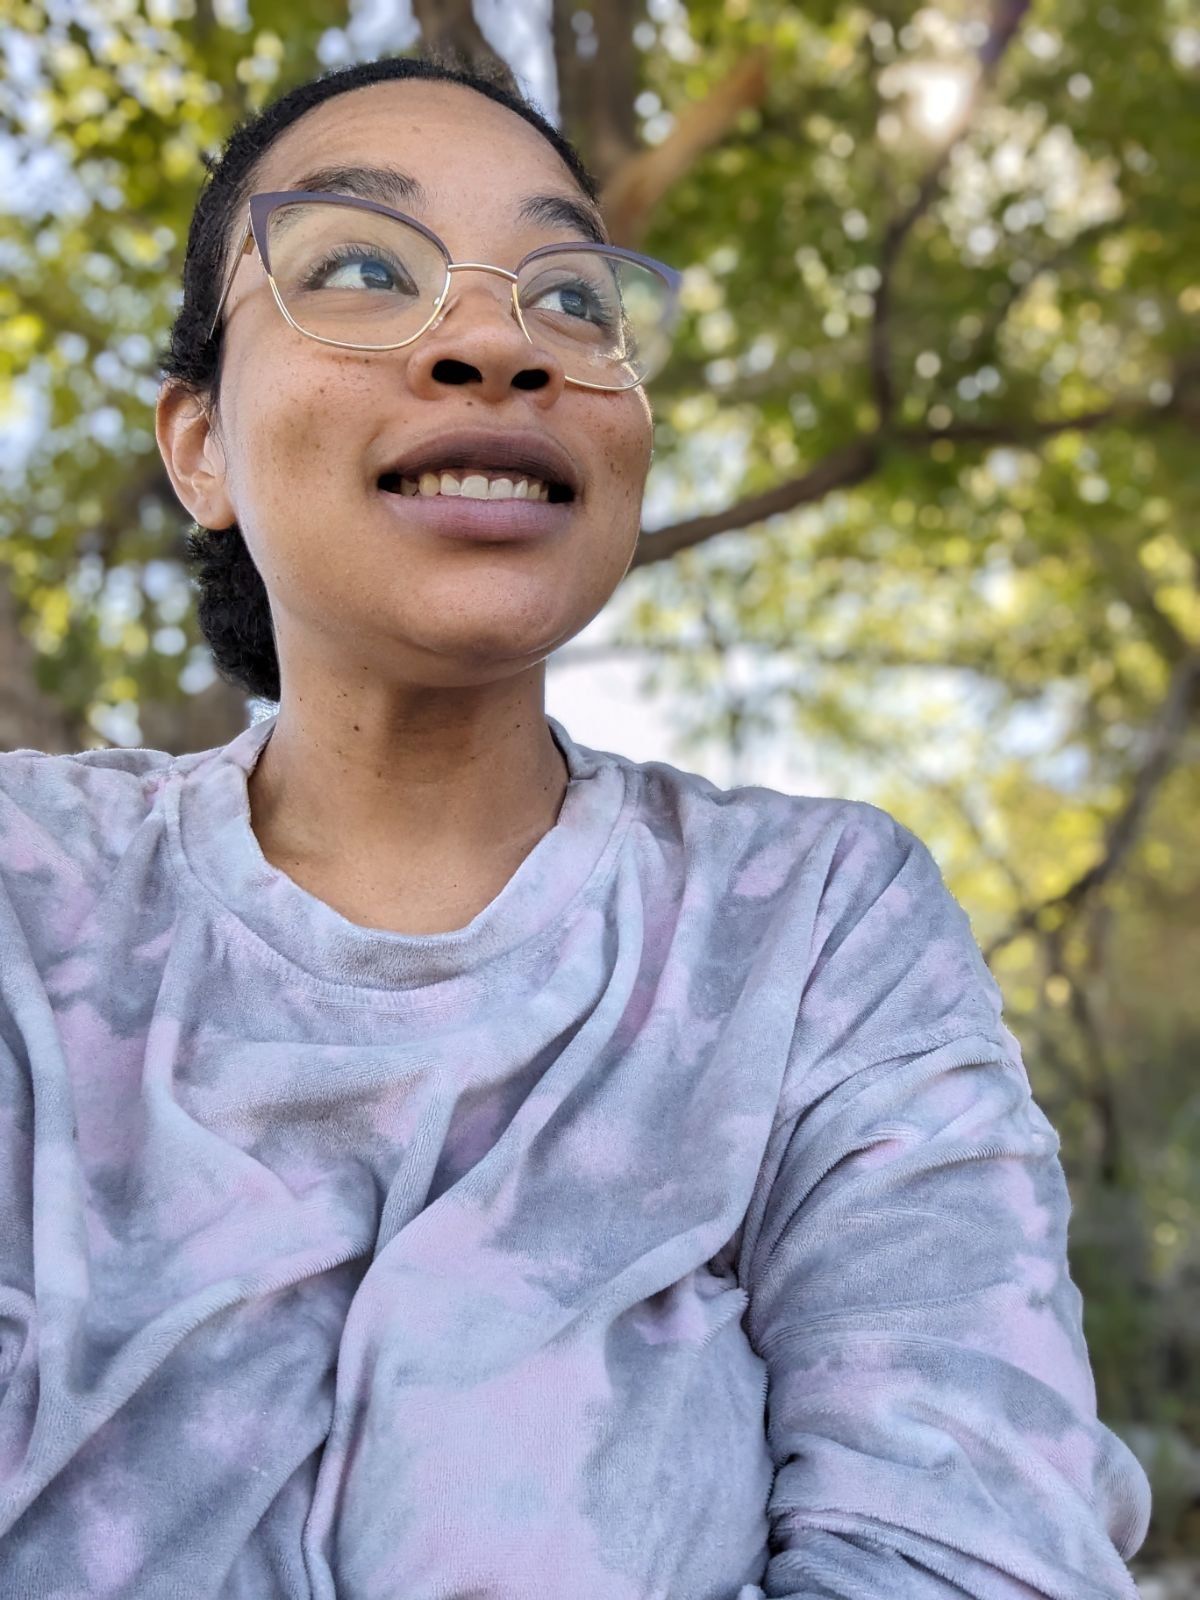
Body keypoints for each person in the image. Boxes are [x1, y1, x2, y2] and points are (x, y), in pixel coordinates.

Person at [0, 49, 1151, 1600]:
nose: (495, 340)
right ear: (198, 445)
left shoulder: (813, 928)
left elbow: (979, 1549)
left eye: (572, 301)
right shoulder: (29, 890)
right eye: (359, 265)